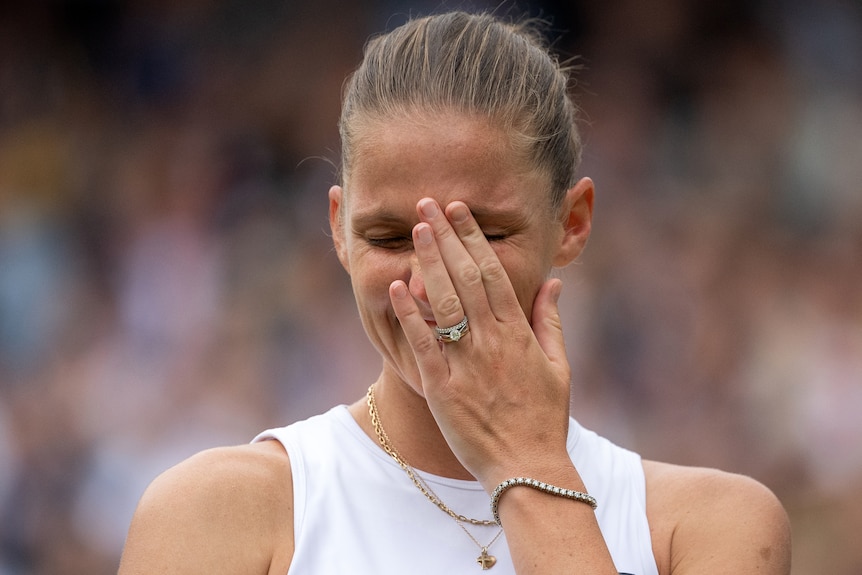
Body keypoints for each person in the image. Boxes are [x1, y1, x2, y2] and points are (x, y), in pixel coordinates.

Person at [117, 11, 791, 574]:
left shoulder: (708, 525)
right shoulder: (213, 515)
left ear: (572, 223)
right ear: (338, 231)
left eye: (485, 234)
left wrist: (522, 457)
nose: (433, 278)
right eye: (387, 236)